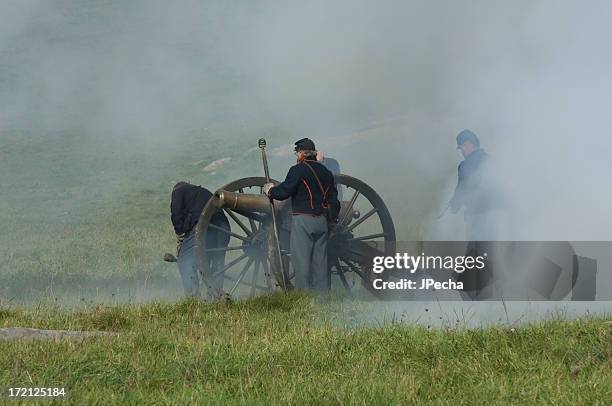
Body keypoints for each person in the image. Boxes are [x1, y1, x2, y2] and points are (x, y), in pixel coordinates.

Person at [263, 138, 341, 292]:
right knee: (320, 264)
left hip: (302, 220)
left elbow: (284, 192)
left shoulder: (297, 170)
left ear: (301, 154)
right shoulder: (326, 172)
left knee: (301, 262)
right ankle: (322, 299)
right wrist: (331, 221)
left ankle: (304, 299)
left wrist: (270, 190)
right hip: (322, 222)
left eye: (297, 153)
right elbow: (334, 200)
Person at [171, 181, 230, 298]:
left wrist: (180, 233)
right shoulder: (202, 191)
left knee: (185, 260)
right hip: (223, 226)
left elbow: (176, 215)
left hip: (202, 226)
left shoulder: (178, 191)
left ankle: (193, 298)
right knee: (217, 260)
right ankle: (216, 295)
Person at [449, 129, 497, 241]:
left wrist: (454, 205)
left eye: (461, 148)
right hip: (495, 218)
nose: (462, 152)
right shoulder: (491, 161)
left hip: (477, 217)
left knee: (474, 252)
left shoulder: (466, 165)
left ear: (468, 144)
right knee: (491, 252)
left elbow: (461, 190)